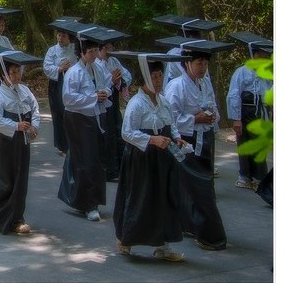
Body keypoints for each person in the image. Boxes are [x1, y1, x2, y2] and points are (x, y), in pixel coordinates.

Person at [113, 58, 186, 262]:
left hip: (162, 158)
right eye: (154, 76)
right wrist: (152, 139)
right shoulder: (136, 104)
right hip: (141, 158)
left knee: (163, 199)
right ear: (145, 78)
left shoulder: (164, 101)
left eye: (160, 75)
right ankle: (126, 239)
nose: (159, 80)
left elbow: (171, 125)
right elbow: (127, 133)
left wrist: (176, 137)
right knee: (139, 198)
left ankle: (163, 245)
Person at [164, 46, 227, 250]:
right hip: (186, 141)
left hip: (204, 138)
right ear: (187, 63)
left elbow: (212, 106)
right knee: (196, 186)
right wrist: (195, 118)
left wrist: (212, 116)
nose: (203, 68)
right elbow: (170, 118)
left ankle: (191, 224)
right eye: (199, 63)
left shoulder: (204, 83)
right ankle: (208, 233)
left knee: (202, 184)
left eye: (205, 63)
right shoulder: (177, 85)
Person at [0, 50, 41, 235]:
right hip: (2, 143)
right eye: (12, 72)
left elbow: (35, 108)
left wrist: (34, 127)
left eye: (18, 71)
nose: (16, 76)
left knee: (20, 179)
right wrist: (15, 125)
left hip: (21, 141)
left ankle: (16, 217)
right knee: (5, 180)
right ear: (4, 74)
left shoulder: (24, 90)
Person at [58, 37, 107, 222]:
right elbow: (68, 99)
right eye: (90, 52)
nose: (94, 55)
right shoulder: (74, 72)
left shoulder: (97, 68)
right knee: (84, 160)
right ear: (81, 53)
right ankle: (88, 204)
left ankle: (88, 199)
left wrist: (103, 93)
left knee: (94, 159)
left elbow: (105, 86)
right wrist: (93, 97)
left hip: (94, 116)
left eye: (96, 50)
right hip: (77, 119)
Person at [226, 35, 272, 191]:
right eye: (262, 54)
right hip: (245, 111)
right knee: (244, 144)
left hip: (260, 112)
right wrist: (236, 119)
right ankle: (245, 177)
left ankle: (259, 178)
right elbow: (233, 95)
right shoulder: (241, 72)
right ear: (254, 54)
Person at [95, 42, 132, 181]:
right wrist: (111, 80)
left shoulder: (113, 61)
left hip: (114, 97)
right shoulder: (96, 64)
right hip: (103, 99)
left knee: (119, 130)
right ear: (101, 49)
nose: (110, 51)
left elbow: (127, 75)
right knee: (108, 134)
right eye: (107, 48)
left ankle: (122, 167)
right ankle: (110, 171)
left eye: (111, 47)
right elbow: (99, 84)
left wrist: (120, 80)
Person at [43, 24, 77, 156]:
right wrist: (59, 69)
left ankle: (71, 142)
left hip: (71, 82)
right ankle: (61, 144)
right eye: (59, 35)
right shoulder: (52, 50)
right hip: (57, 83)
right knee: (58, 112)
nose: (60, 38)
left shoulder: (74, 49)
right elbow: (46, 67)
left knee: (70, 112)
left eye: (63, 35)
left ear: (69, 37)